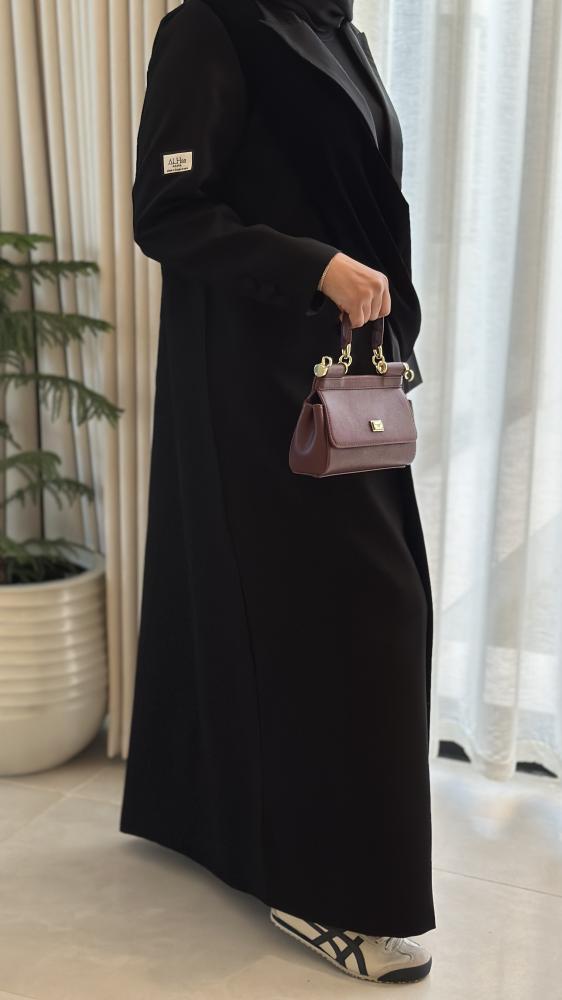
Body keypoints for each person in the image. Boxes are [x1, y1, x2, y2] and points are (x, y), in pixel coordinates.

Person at [120, 0, 436, 985]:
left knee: (369, 610)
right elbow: (168, 211)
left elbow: (363, 201)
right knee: (354, 617)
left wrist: (392, 331)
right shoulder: (213, 25)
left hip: (345, 376)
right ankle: (325, 890)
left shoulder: (335, 28)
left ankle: (218, 821)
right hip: (254, 385)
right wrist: (315, 269)